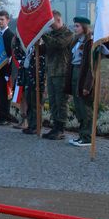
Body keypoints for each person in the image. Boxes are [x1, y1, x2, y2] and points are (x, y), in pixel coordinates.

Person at [41, 10, 73, 139]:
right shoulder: (51, 34)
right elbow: (45, 50)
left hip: (62, 73)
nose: (49, 24)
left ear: (58, 20)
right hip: (51, 71)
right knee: (53, 101)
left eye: (51, 21)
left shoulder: (68, 33)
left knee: (61, 102)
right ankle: (55, 126)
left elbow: (58, 44)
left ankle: (61, 128)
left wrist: (43, 35)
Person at [64, 17, 94, 147]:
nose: (75, 28)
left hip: (84, 74)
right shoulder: (76, 40)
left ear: (84, 27)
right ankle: (81, 134)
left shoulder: (90, 42)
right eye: (74, 26)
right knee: (78, 106)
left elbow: (92, 66)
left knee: (85, 107)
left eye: (77, 26)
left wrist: (88, 85)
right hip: (75, 72)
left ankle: (87, 136)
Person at [0, 10, 15, 125]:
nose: (0, 21)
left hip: (5, 70)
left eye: (2, 19)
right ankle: (2, 115)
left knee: (4, 94)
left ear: (7, 20)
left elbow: (10, 55)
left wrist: (7, 72)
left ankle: (4, 117)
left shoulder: (10, 35)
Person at [17, 42, 45, 135]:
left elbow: (42, 64)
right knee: (29, 101)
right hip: (29, 76)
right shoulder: (29, 47)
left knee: (35, 103)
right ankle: (31, 125)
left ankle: (36, 126)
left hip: (37, 78)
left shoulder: (41, 47)